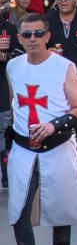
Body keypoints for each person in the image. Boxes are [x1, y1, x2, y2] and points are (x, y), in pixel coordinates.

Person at [7, 13, 77, 245]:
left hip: (58, 147)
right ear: (19, 38)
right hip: (23, 148)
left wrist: (53, 125)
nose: (32, 40)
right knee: (18, 213)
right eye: (26, 35)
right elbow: (16, 102)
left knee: (61, 213)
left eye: (37, 34)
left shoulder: (64, 67)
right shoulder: (13, 67)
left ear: (48, 36)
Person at [0, 14, 21, 188]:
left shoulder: (10, 28)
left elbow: (20, 53)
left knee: (4, 128)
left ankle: (6, 174)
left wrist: (6, 56)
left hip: (3, 86)